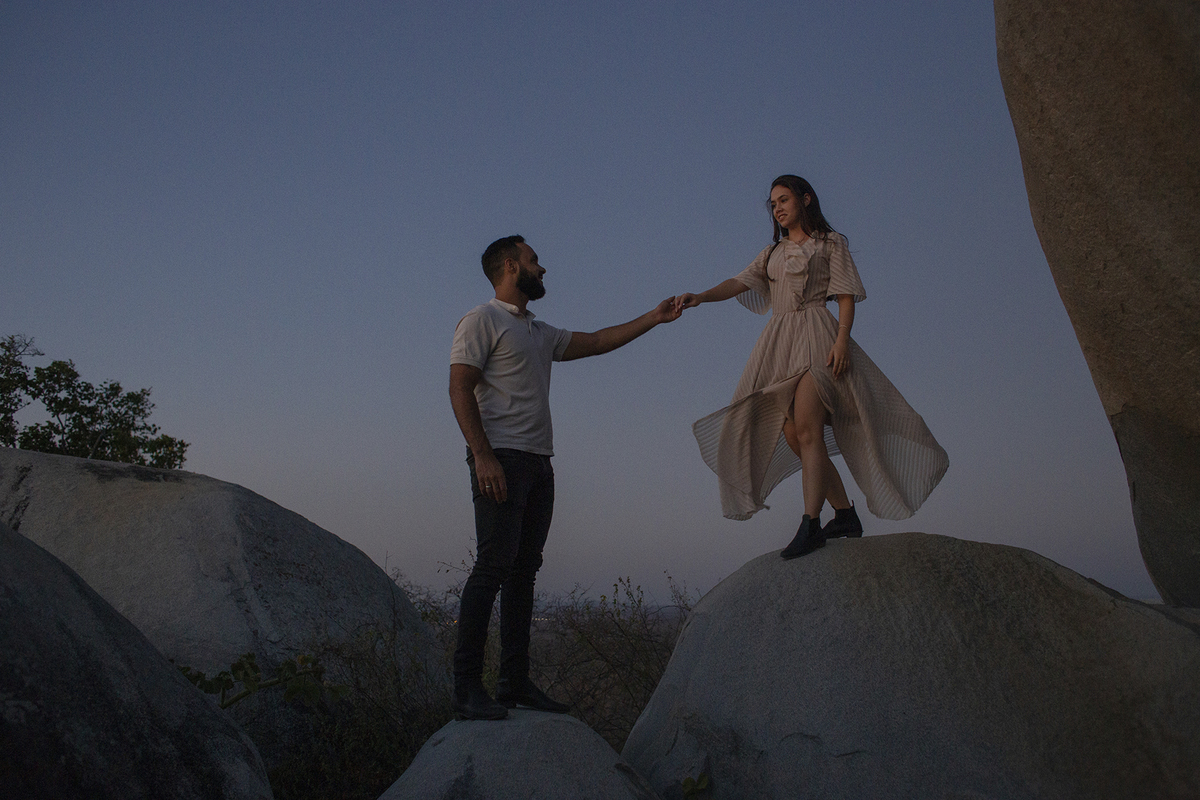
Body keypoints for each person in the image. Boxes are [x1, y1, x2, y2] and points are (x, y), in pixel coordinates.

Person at [449, 235, 681, 720]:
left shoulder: (537, 330)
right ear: (511, 267)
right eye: (534, 260)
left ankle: (513, 682)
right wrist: (483, 456)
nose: (543, 268)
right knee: (492, 568)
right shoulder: (481, 319)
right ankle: (467, 689)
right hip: (501, 459)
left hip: (539, 463)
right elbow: (459, 387)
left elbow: (595, 342)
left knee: (523, 572)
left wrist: (654, 318)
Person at [677, 175, 948, 559]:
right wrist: (701, 297)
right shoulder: (771, 253)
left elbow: (846, 296)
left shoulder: (830, 243)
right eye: (773, 204)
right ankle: (844, 515)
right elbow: (738, 283)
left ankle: (811, 524)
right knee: (794, 434)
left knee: (806, 427)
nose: (778, 208)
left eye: (784, 200)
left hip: (820, 339)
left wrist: (842, 341)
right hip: (780, 346)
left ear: (805, 199)